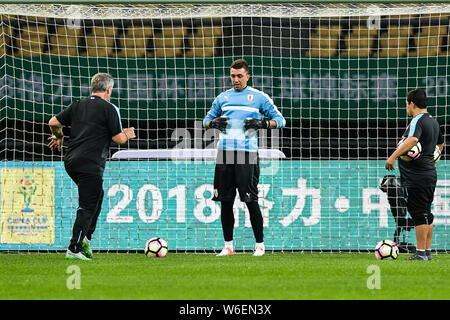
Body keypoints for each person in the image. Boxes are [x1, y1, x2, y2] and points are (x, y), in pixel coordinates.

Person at [48, 72, 136, 261]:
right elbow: (118, 139)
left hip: (71, 161)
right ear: (109, 90)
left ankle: (86, 237)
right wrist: (128, 134)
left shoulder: (77, 105)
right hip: (90, 163)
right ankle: (74, 247)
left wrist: (59, 136)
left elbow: (53, 122)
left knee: (97, 195)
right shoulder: (110, 108)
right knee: (87, 205)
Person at [203, 59, 286, 257]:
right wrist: (213, 123)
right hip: (224, 155)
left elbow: (281, 120)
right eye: (233, 76)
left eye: (240, 76)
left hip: (247, 155)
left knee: (250, 200)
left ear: (248, 76)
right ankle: (228, 246)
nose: (236, 79)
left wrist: (264, 124)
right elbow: (206, 121)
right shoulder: (222, 98)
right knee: (225, 201)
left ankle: (259, 245)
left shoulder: (259, 98)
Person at [385, 88, 444, 261]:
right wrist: (431, 160)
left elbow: (412, 140)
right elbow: (440, 145)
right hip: (429, 172)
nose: (406, 108)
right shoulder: (433, 121)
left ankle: (420, 253)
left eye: (406, 104)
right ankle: (426, 252)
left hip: (417, 174)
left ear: (412, 103)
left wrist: (393, 156)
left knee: (418, 212)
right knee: (426, 212)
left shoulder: (417, 121)